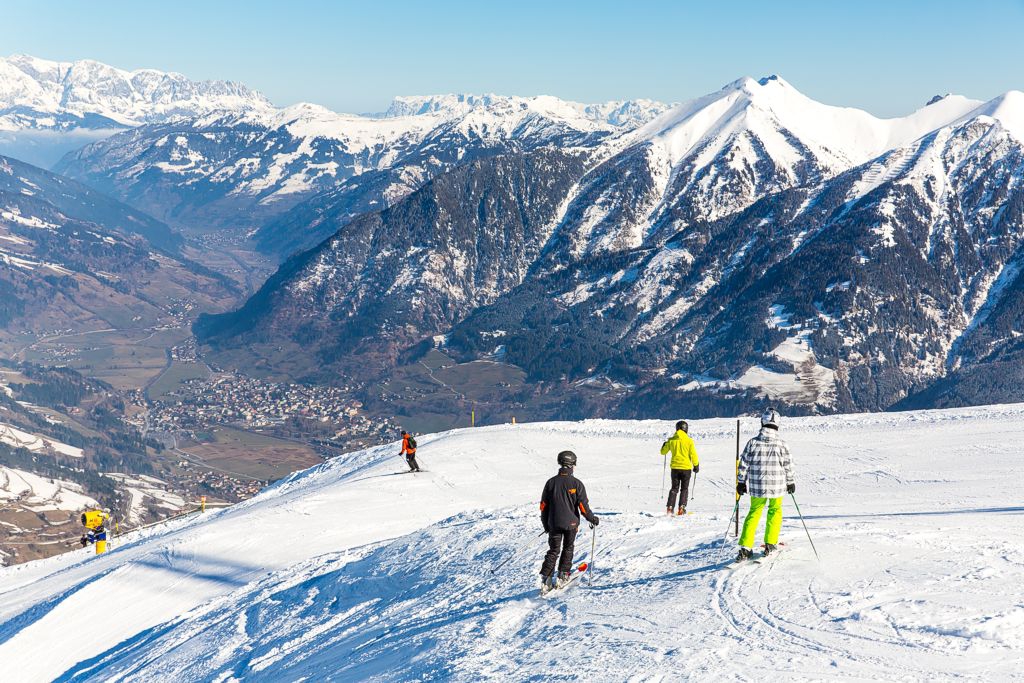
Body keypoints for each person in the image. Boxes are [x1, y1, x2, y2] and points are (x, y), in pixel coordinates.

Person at [735, 408, 795, 562]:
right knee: (774, 511)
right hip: (777, 486)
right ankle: (770, 544)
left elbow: (743, 464)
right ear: (777, 425)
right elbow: (788, 465)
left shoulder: (752, 443)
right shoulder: (782, 444)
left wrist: (741, 482)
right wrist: (790, 482)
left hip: (757, 486)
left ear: (762, 422)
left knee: (754, 512)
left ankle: (745, 548)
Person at [539, 450, 599, 590]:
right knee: (568, 548)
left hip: (553, 523)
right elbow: (583, 507)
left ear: (560, 463)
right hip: (571, 524)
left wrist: (546, 524)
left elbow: (543, 507)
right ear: (572, 464)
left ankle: (546, 579)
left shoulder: (550, 483)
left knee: (553, 550)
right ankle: (563, 575)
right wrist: (592, 519)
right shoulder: (576, 483)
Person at [660, 420, 699, 515]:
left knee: (674, 488)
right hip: (686, 469)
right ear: (686, 429)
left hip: (675, 469)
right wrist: (696, 465)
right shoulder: (689, 441)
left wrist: (664, 445)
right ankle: (681, 507)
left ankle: (670, 507)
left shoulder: (671, 440)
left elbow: (663, 452)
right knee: (684, 489)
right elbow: (693, 454)